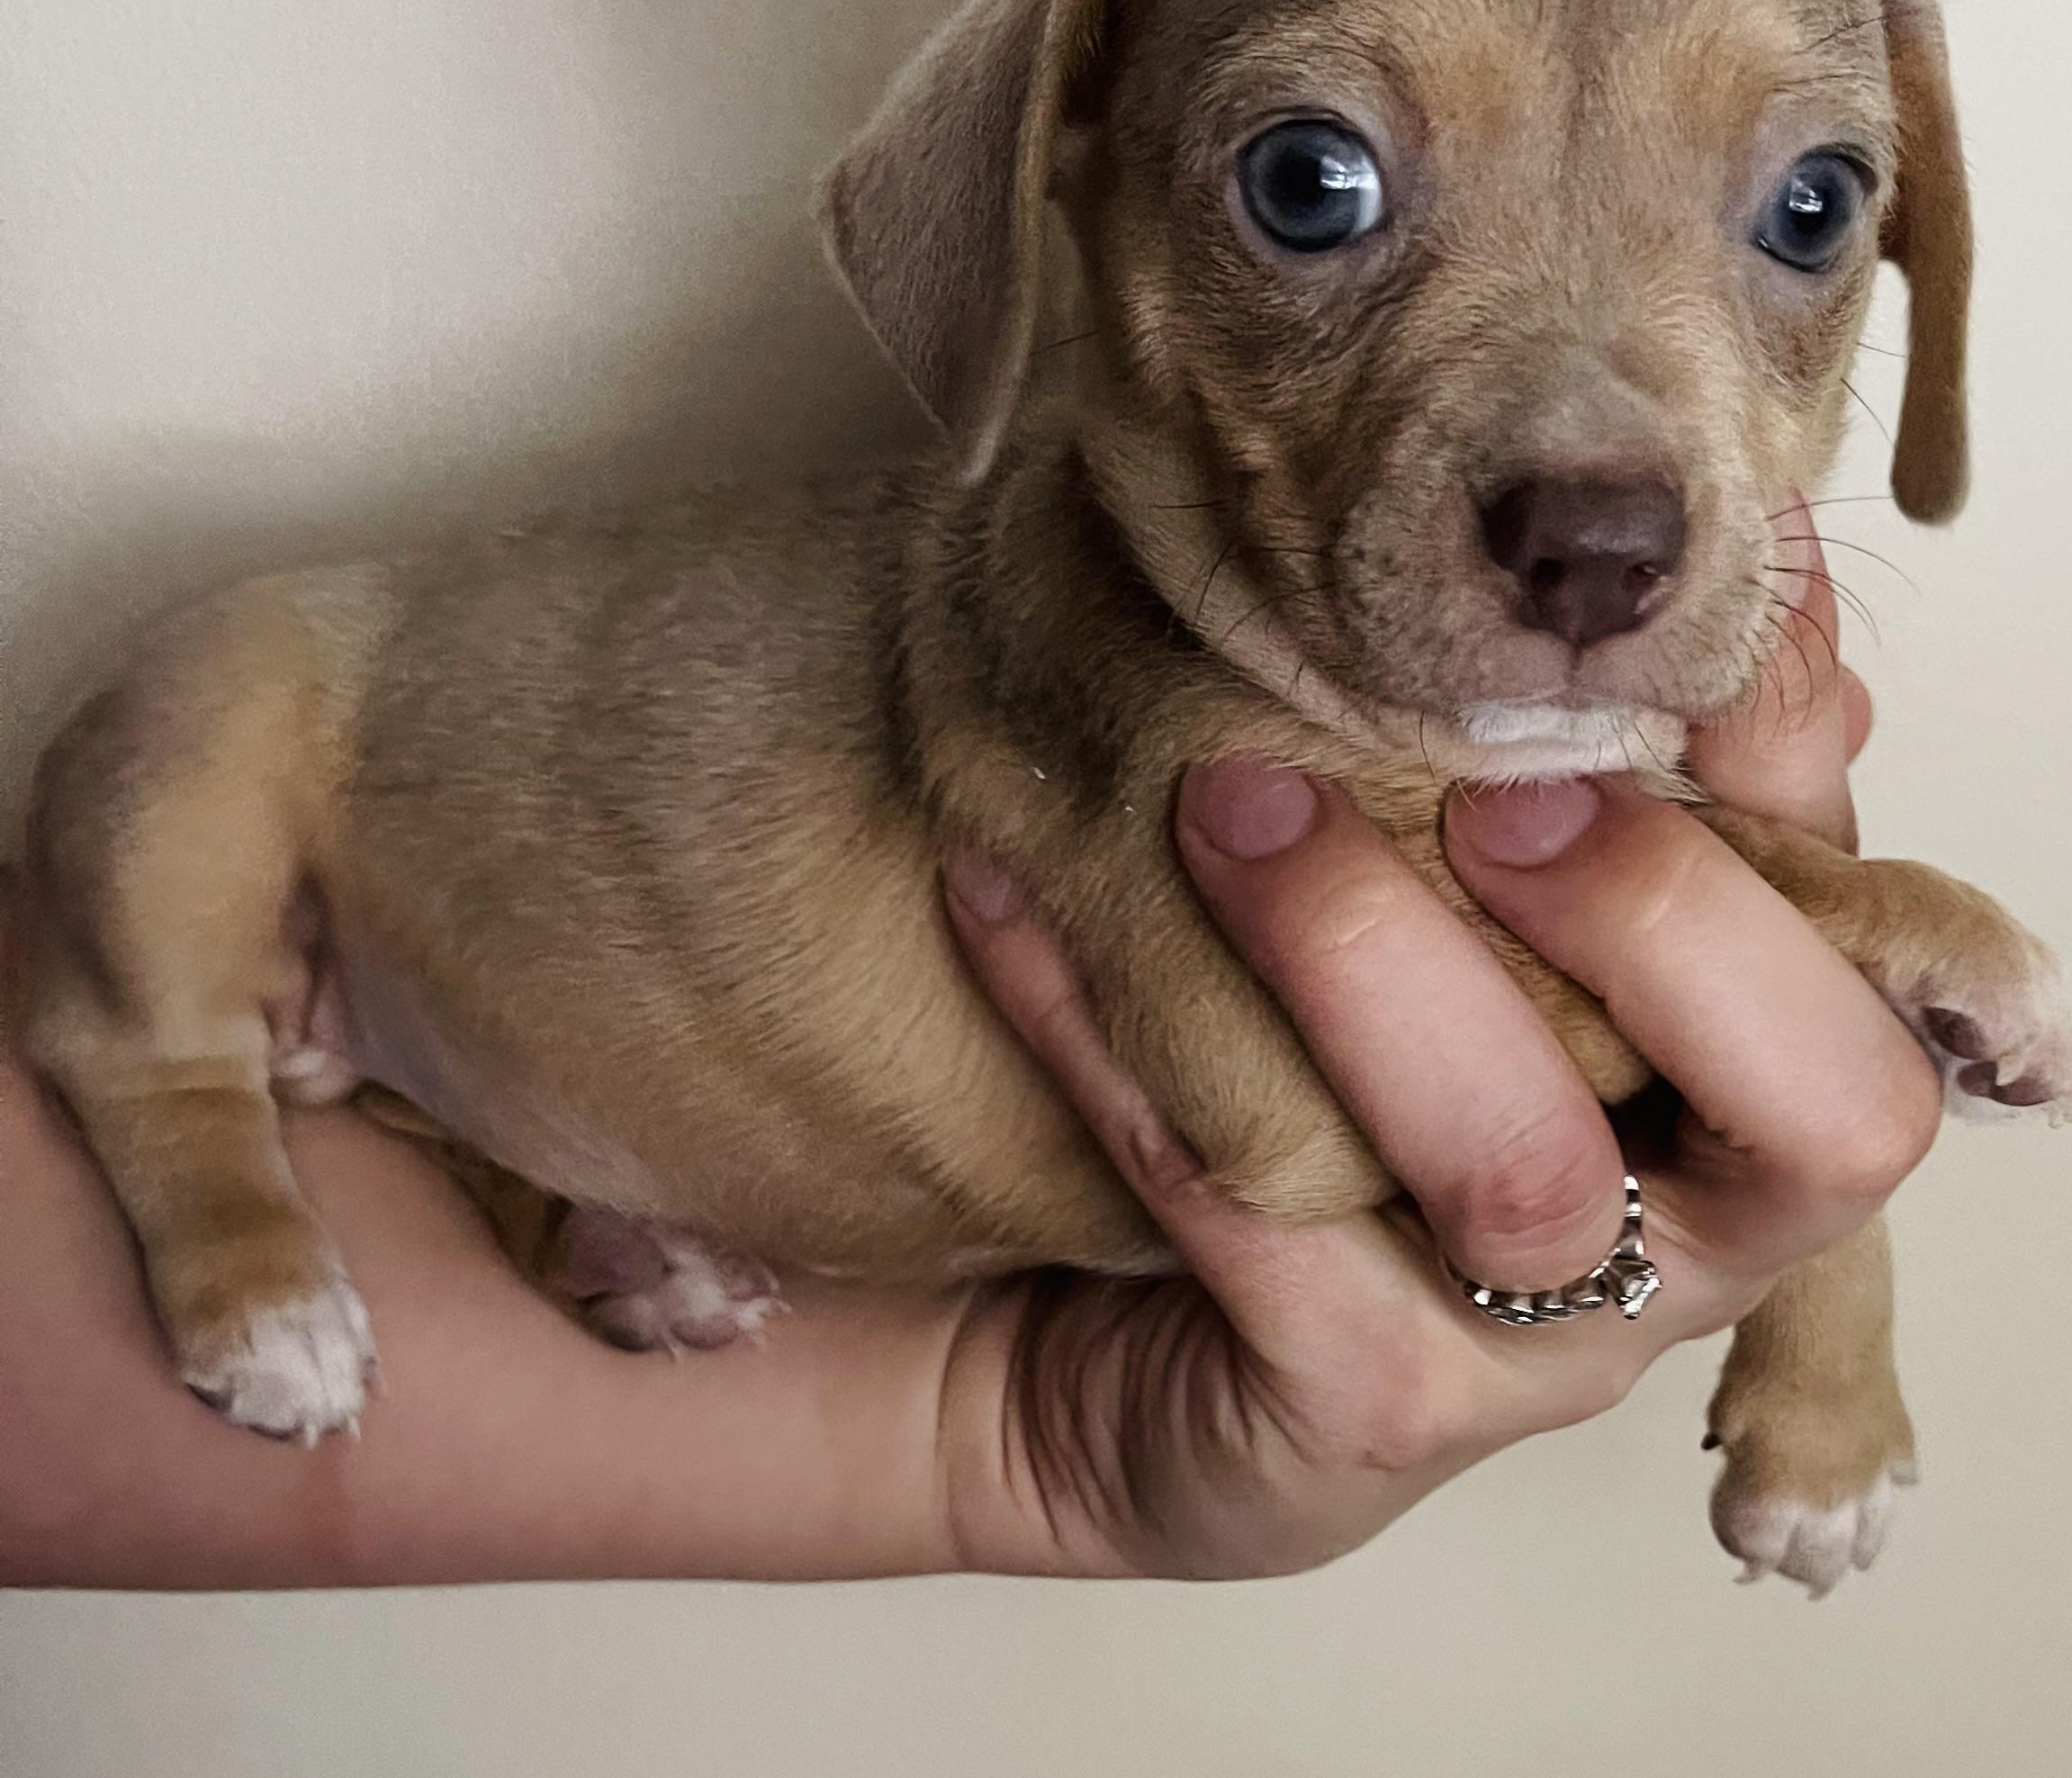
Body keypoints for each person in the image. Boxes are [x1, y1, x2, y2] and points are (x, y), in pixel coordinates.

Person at [0, 537, 1939, 1589]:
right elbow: (1258, 1116)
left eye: (1806, 209)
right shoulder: (1134, 632)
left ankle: (529, 1177)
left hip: (617, 1090)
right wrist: (1852, 929)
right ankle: (177, 1112)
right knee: (228, 693)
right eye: (1316, 188)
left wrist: (1010, 1439)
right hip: (348, 826)